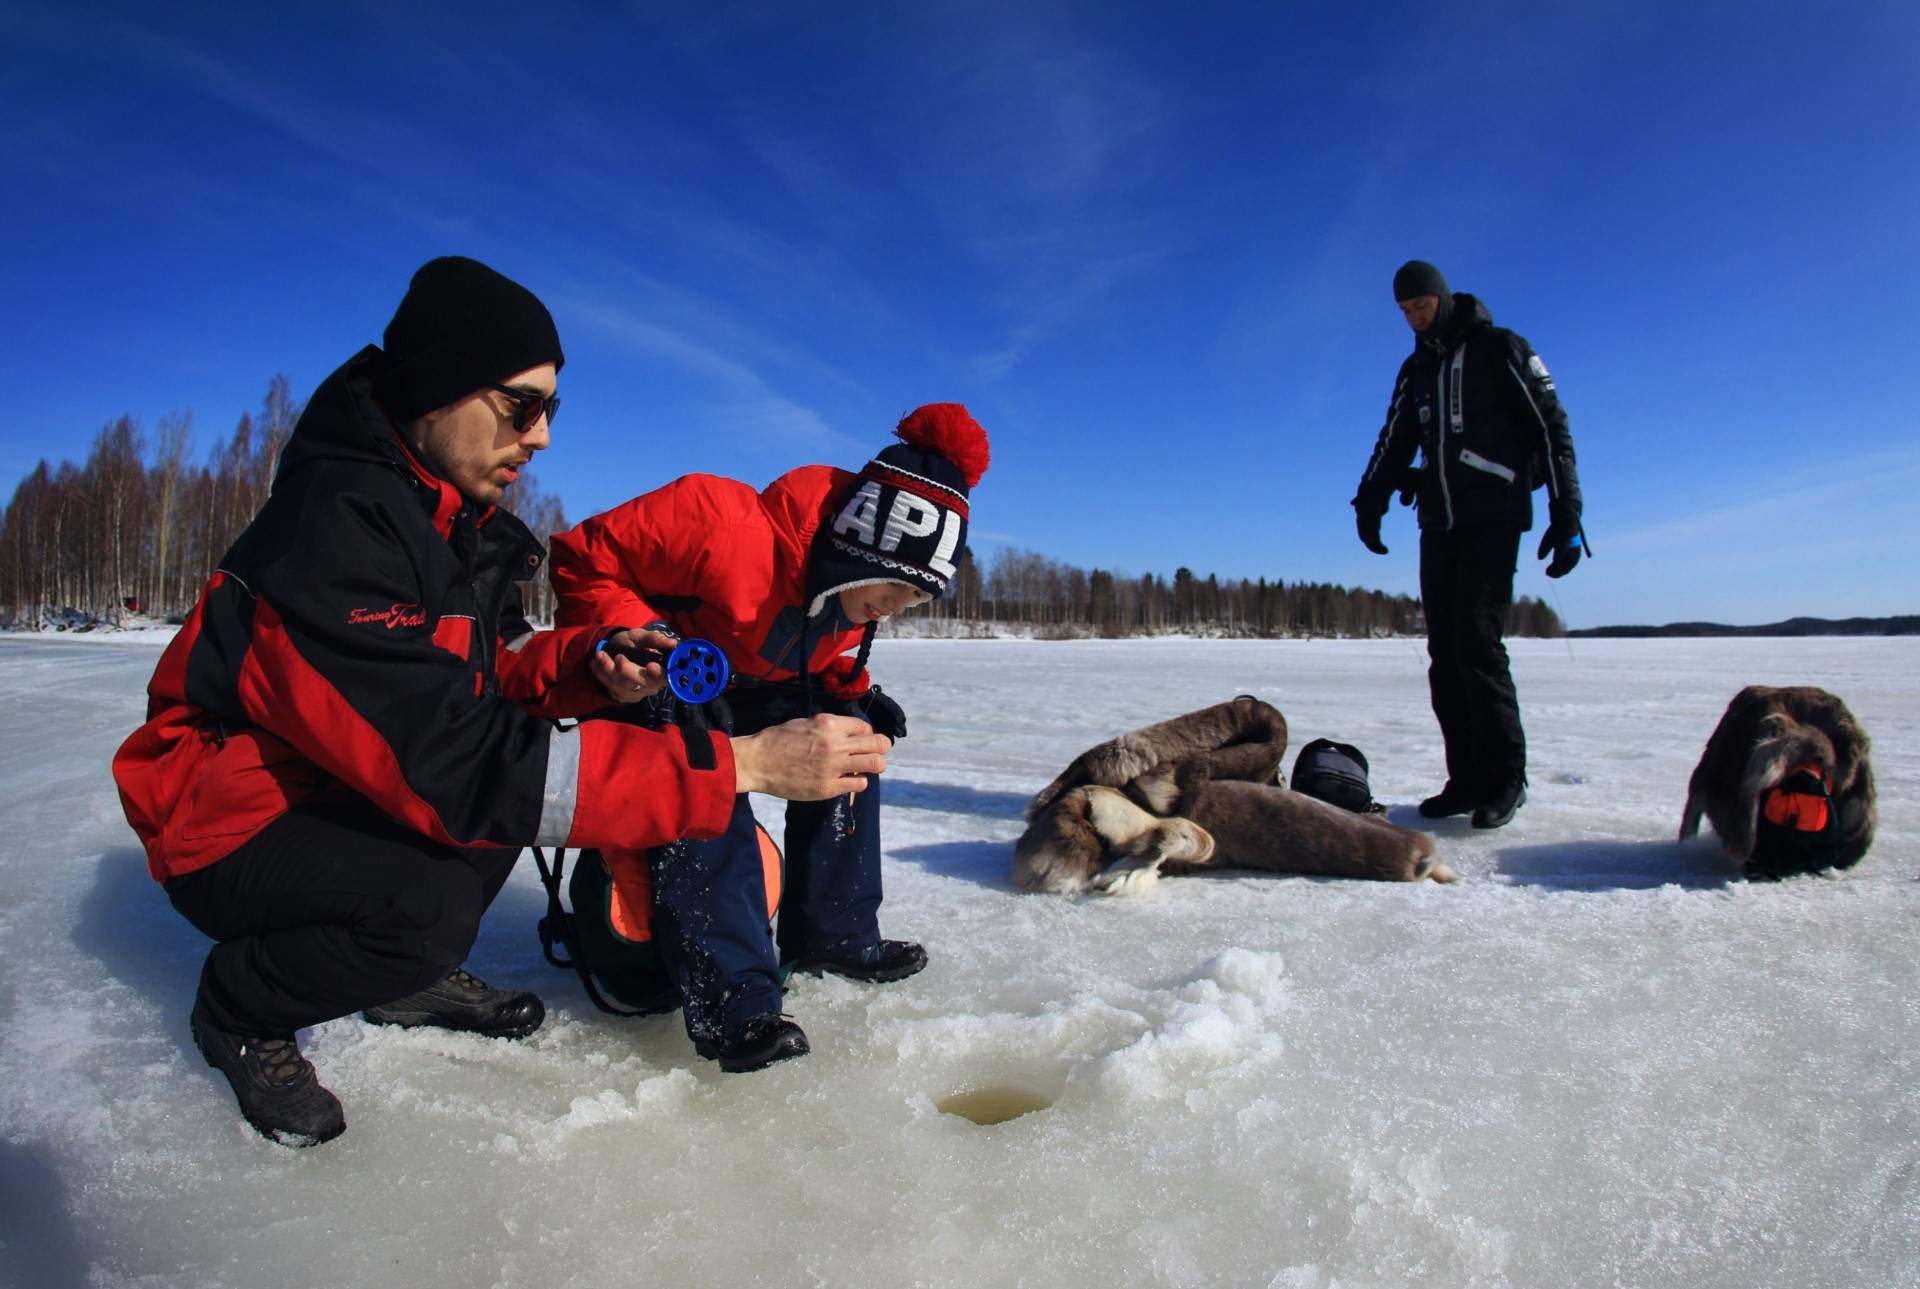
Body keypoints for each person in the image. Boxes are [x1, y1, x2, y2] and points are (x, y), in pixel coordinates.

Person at [112, 257, 890, 1146]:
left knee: (491, 818)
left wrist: (590, 660)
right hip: (224, 815)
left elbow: (493, 663)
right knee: (430, 897)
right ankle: (242, 1007)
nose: (544, 435)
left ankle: (397, 975)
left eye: (553, 408)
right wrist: (744, 763)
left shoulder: (455, 523)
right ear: (438, 385)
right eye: (522, 404)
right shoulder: (334, 527)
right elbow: (455, 759)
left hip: (333, 782)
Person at [547, 404, 990, 1071]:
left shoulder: (848, 599)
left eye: (918, 597)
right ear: (859, 543)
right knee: (711, 774)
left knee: (850, 742)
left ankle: (833, 934)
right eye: (896, 584)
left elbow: (817, 656)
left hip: (744, 687)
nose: (899, 606)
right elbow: (582, 559)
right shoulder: (717, 520)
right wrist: (638, 639)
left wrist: (857, 695)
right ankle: (736, 1001)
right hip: (658, 682)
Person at [1350, 260, 1586, 829]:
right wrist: (1370, 500)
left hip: (1493, 517)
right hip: (1439, 523)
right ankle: (1466, 779)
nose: (1413, 318)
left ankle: (1506, 780)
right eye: (1404, 311)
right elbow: (1394, 439)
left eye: (1420, 306)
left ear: (1442, 297)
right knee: (1445, 656)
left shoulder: (1500, 348)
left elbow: (1551, 427)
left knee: (1479, 648)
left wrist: (1566, 510)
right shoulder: (1417, 368)